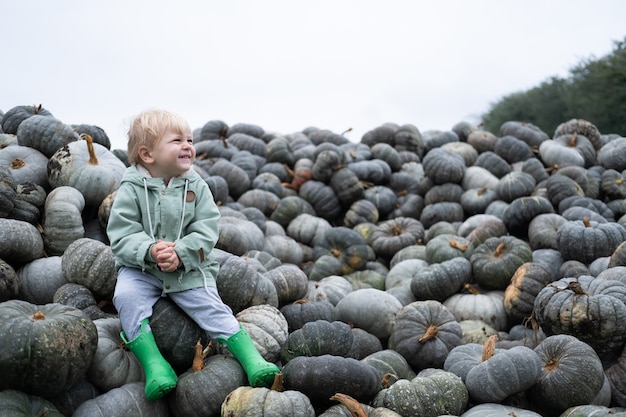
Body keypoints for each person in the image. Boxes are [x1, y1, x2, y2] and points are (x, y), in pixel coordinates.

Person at [106, 108, 280, 401]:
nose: (188, 145)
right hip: (142, 268)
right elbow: (121, 234)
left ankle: (253, 360)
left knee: (212, 307)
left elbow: (207, 229)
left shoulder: (196, 185)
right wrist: (149, 250)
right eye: (176, 140)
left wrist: (183, 253)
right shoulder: (131, 188)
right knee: (125, 297)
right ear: (148, 155)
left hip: (187, 268)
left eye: (189, 139)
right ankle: (155, 366)